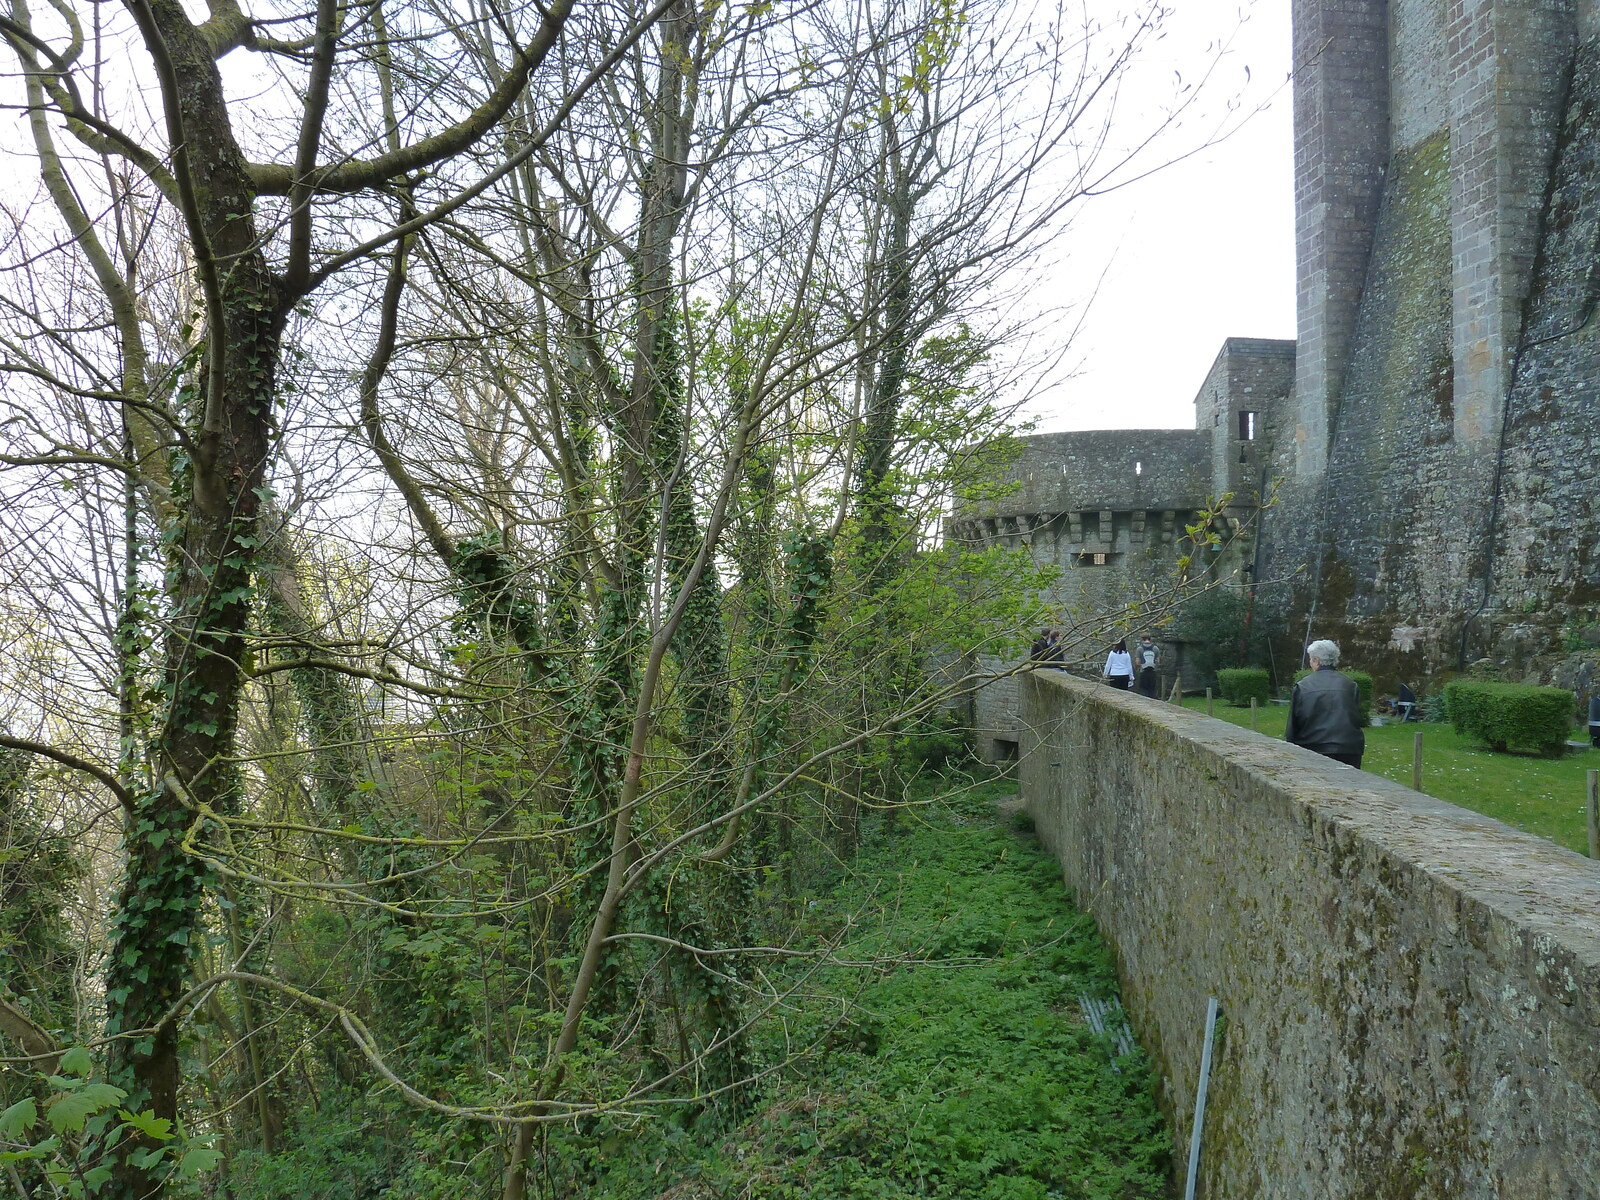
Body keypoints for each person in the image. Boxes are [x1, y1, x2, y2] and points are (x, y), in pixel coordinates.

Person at [1285, 639, 1364, 767]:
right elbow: (1355, 718)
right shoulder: (1350, 685)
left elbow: (1293, 725)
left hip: (1313, 747)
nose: (1310, 663)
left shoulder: (1303, 686)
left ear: (1316, 660)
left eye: (1310, 659)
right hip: (1349, 749)